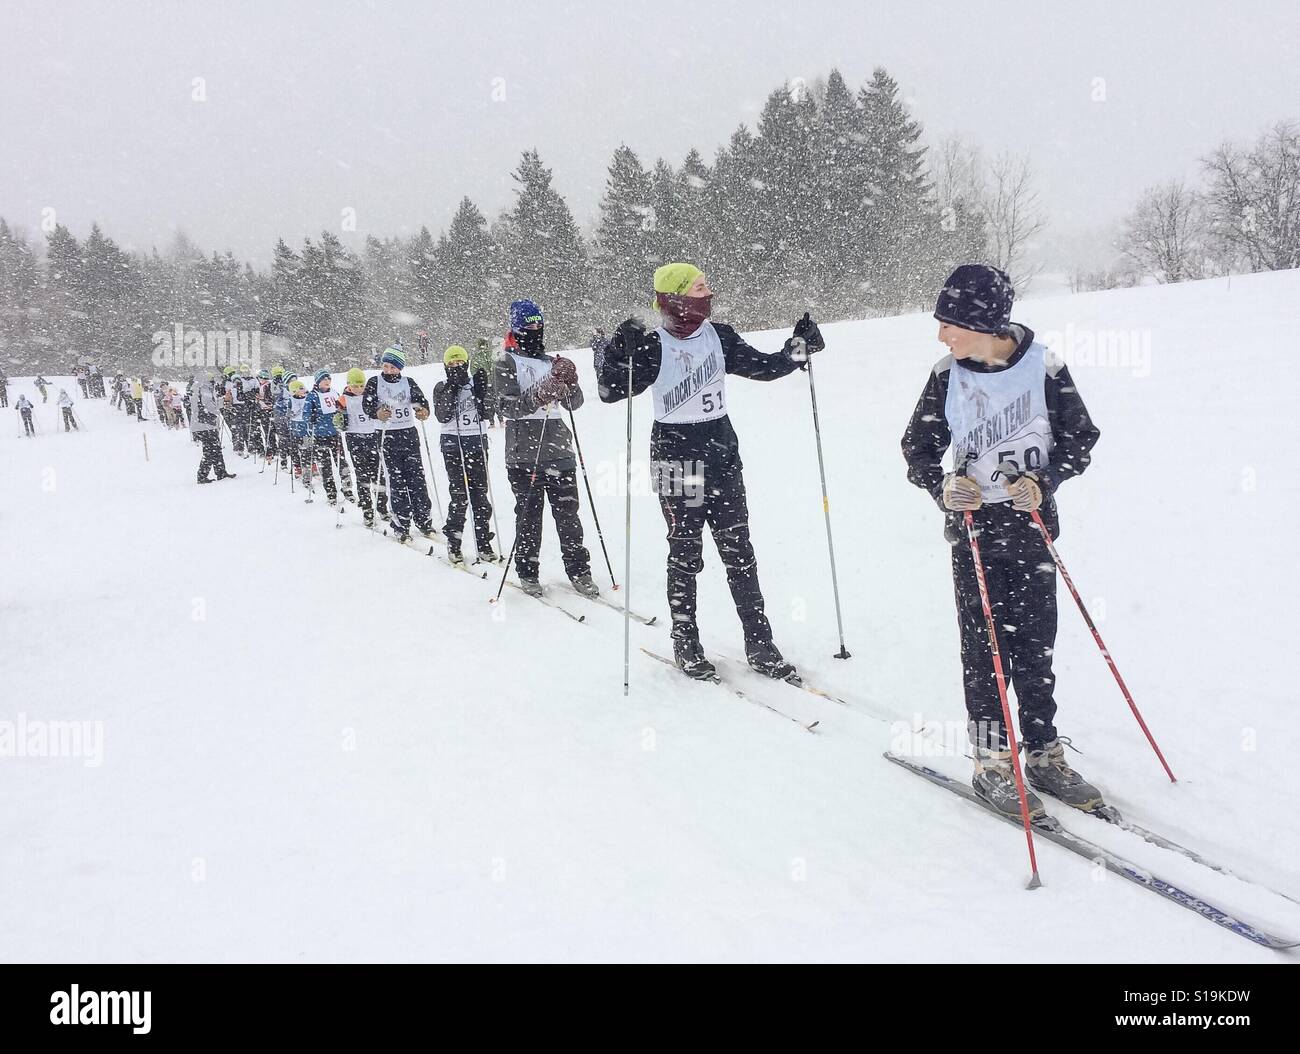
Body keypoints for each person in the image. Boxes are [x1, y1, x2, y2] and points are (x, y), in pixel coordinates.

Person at [901, 263, 1103, 819]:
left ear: (985, 324)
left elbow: (1080, 437)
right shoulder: (947, 376)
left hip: (1032, 528)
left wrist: (1044, 481)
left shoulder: (1045, 366)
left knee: (1036, 646)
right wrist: (944, 486)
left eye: (949, 324)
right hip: (976, 532)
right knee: (986, 653)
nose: (941, 335)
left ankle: (1042, 752)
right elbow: (916, 450)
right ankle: (991, 762)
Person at [596, 263, 817, 680]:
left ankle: (760, 642)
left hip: (721, 456)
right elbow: (610, 392)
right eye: (699, 288)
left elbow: (765, 367)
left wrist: (799, 348)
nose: (708, 294)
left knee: (739, 552)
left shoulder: (721, 336)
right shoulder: (653, 345)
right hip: (675, 461)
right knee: (685, 552)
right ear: (677, 296)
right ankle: (686, 641)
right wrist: (614, 351)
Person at [495, 299, 597, 599]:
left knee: (569, 518)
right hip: (524, 455)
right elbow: (507, 407)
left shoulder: (551, 361)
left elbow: (573, 404)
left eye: (539, 324)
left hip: (560, 452)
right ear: (516, 328)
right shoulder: (505, 362)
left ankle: (579, 570)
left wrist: (571, 382)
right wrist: (540, 393)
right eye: (529, 325)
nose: (535, 330)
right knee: (529, 519)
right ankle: (528, 572)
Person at [361, 345, 435, 542]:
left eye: (393, 367)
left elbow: (421, 402)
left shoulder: (407, 382)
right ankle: (401, 523)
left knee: (417, 479)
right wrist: (377, 413)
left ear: (400, 368)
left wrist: (423, 411)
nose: (389, 370)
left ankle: (424, 519)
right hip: (386, 435)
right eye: (386, 366)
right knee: (396, 481)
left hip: (408, 434)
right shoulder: (374, 382)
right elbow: (367, 406)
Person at [432, 345, 496, 564]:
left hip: (477, 444)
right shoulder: (441, 386)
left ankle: (484, 542)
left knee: (480, 496)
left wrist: (482, 392)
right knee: (460, 496)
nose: (456, 367)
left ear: (467, 363)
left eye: (460, 363)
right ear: (446, 366)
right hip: (453, 445)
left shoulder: (475, 384)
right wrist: (452, 387)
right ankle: (454, 541)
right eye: (452, 364)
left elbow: (489, 412)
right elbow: (442, 415)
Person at [339, 367, 389, 527]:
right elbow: (338, 417)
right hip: (354, 439)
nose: (359, 389)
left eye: (362, 385)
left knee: (379, 475)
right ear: (349, 385)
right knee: (362, 476)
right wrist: (339, 420)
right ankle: (367, 510)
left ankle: (382, 507)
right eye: (355, 386)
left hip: (372, 437)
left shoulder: (371, 395)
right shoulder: (343, 399)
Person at [304, 369, 353, 506]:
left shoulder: (335, 393)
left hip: (335, 434)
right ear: (318, 382)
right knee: (325, 465)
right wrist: (311, 417)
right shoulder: (312, 396)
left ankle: (347, 489)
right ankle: (331, 493)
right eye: (324, 379)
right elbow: (305, 415)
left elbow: (341, 408)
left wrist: (344, 418)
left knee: (342, 463)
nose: (327, 381)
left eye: (329, 379)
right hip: (320, 435)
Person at [188, 371, 236, 483]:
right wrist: (223, 401)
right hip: (205, 425)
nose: (213, 382)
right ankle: (202, 476)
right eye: (212, 379)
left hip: (204, 425)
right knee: (210, 450)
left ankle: (220, 472)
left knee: (215, 448)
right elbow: (210, 406)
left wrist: (222, 400)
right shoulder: (204, 391)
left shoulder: (200, 390)